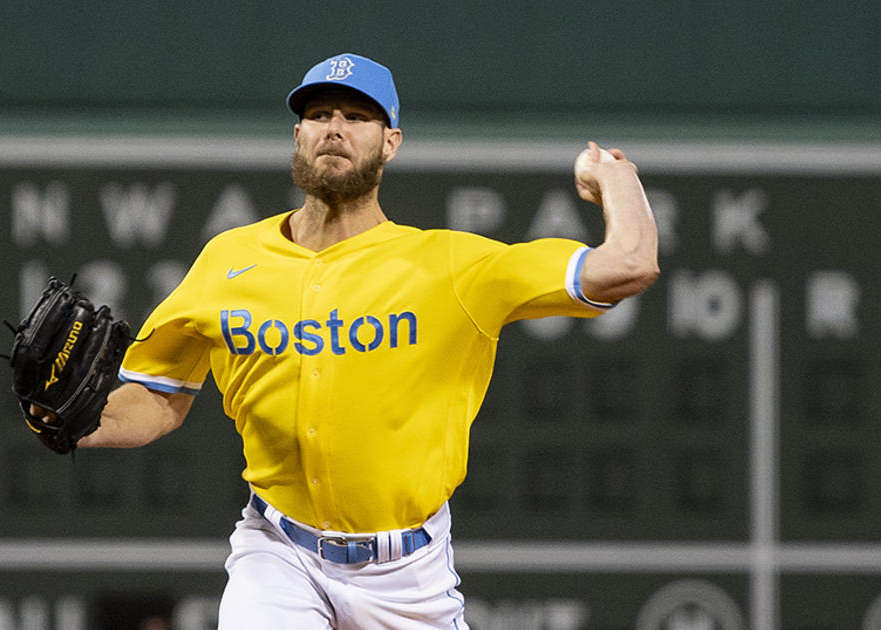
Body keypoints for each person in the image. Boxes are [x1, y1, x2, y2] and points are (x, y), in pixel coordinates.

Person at [69, 52, 658, 629]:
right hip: (279, 551)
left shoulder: (450, 266)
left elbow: (628, 264)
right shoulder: (229, 260)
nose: (336, 128)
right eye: (321, 113)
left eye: (357, 116)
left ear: (390, 141)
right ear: (298, 134)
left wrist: (618, 177)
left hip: (408, 576)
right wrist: (67, 420)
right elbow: (157, 397)